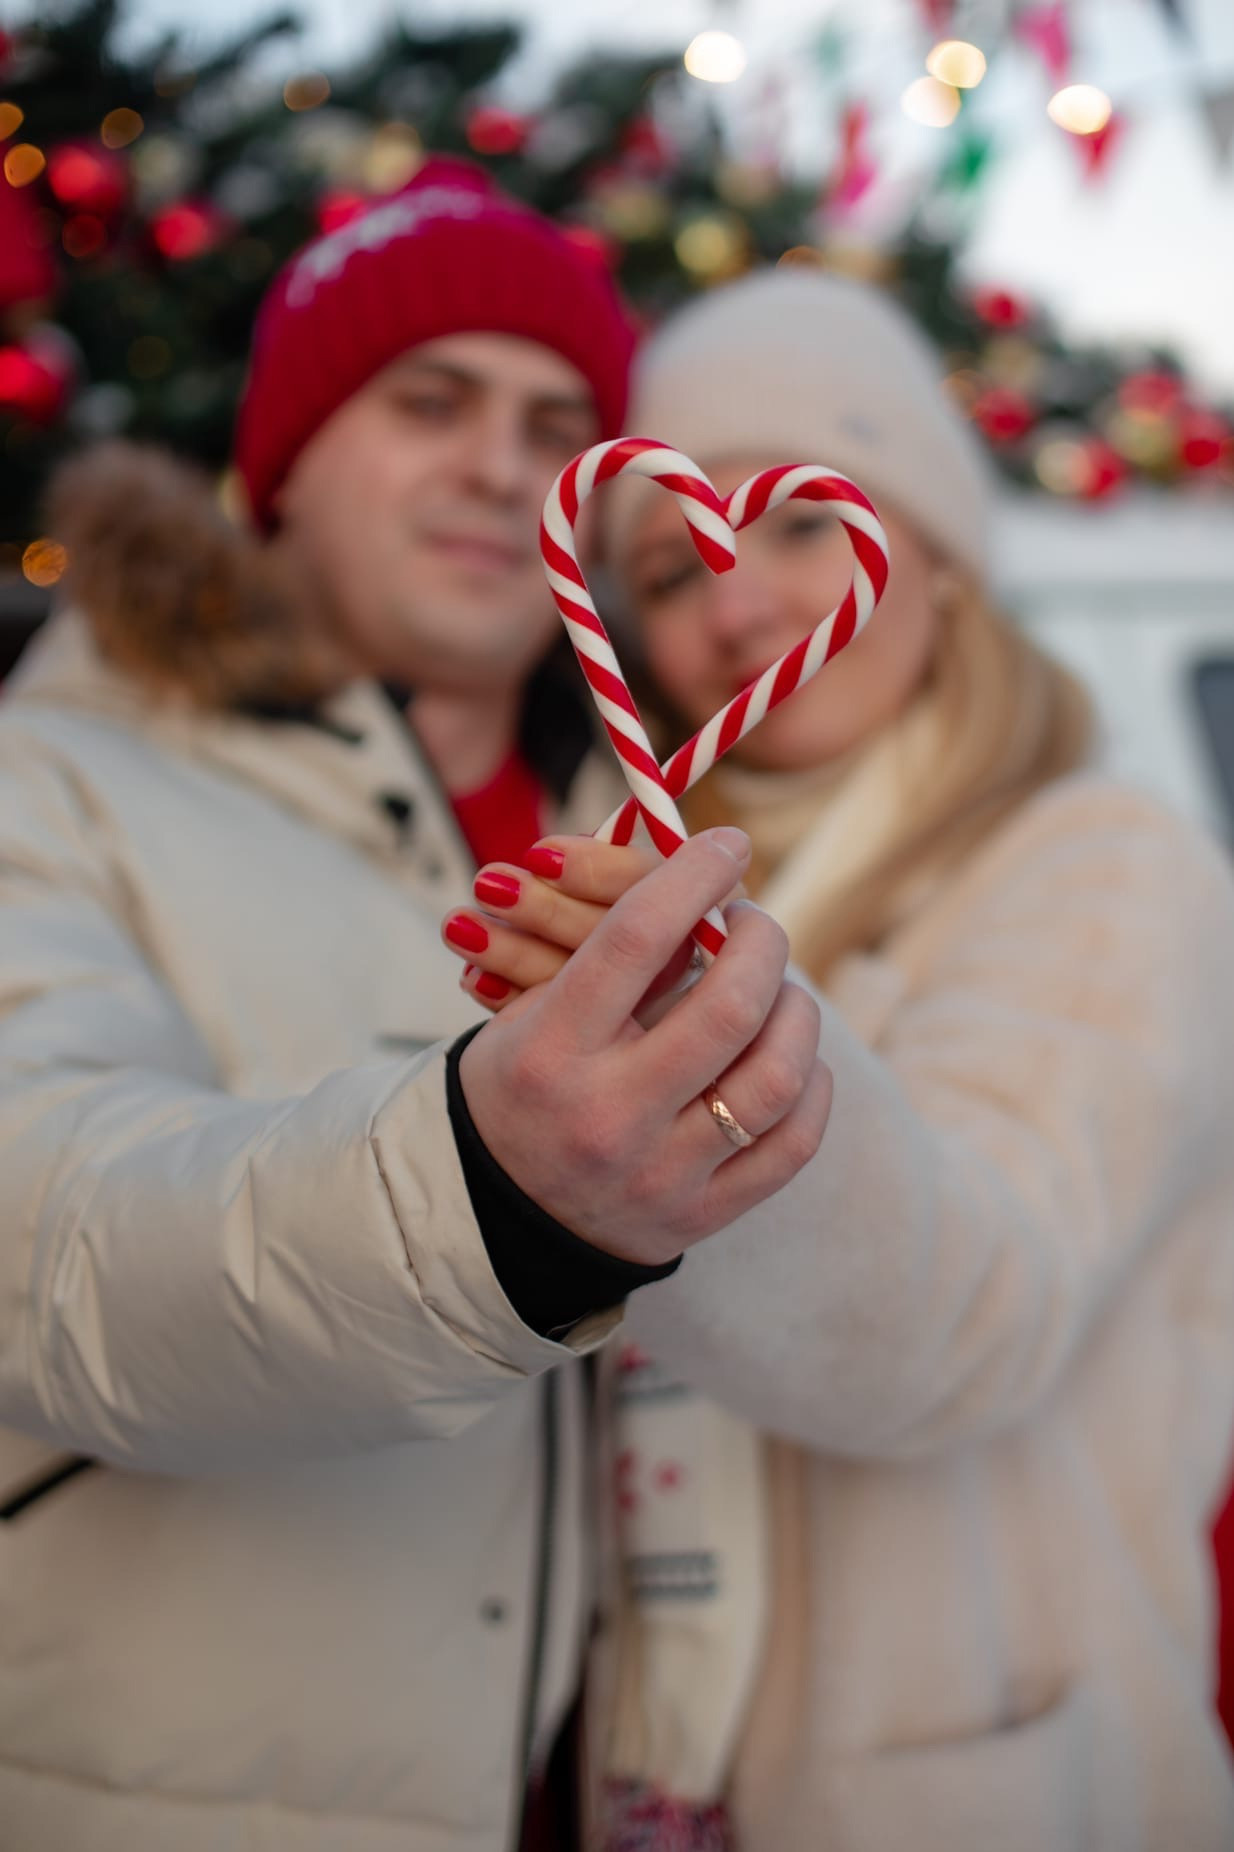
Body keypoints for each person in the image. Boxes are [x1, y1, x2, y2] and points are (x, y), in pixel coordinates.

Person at [0, 168, 830, 1850]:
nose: (496, 465)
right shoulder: (53, 776)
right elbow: (42, 1232)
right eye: (427, 402)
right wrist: (485, 1198)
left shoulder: (673, 838)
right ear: (281, 469)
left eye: (553, 420)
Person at [443, 265, 1234, 1850]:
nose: (735, 606)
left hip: (988, 1788)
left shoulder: (1102, 866)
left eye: (801, 525)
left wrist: (691, 1057)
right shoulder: (599, 882)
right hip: (654, 1777)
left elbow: (962, 1320)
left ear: (928, 557)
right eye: (671, 568)